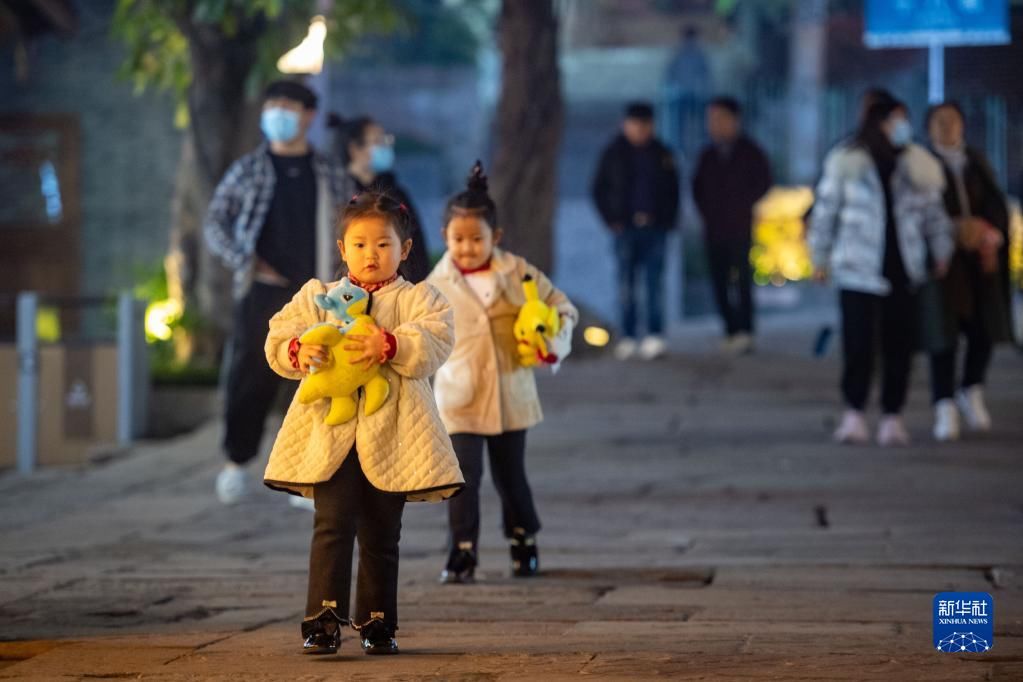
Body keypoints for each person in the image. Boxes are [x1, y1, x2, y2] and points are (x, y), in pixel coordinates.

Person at [262, 191, 464, 655]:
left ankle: (377, 620)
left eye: (382, 245)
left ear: (405, 249)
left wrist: (391, 345)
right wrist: (300, 350)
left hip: (395, 432)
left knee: (381, 528)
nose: (370, 255)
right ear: (342, 249)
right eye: (359, 244)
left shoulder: (419, 299)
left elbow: (435, 340)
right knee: (331, 521)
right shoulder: (319, 298)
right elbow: (279, 334)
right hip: (330, 434)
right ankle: (322, 617)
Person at [428, 162, 578, 583]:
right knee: (462, 478)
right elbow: (417, 333)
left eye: (477, 239)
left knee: (511, 477)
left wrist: (551, 343)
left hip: (511, 393)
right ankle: (461, 550)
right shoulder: (433, 284)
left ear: (495, 237)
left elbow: (562, 309)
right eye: (458, 239)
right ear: (445, 239)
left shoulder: (519, 273)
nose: (467, 248)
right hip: (459, 397)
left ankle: (523, 540)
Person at [204, 80, 352, 506]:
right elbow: (216, 221)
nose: (278, 114)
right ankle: (237, 462)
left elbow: (350, 222)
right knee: (249, 376)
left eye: (288, 106)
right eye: (272, 106)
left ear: (309, 115)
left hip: (318, 293)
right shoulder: (249, 169)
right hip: (262, 291)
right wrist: (244, 259)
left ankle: (306, 472)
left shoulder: (329, 172)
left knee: (317, 378)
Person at [808, 94, 954, 447]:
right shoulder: (847, 161)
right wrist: (820, 255)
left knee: (898, 345)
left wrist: (941, 250)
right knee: (858, 344)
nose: (903, 126)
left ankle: (893, 415)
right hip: (858, 269)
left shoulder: (917, 164)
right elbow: (826, 211)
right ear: (880, 121)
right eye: (897, 119)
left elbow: (933, 214)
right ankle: (854, 413)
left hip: (903, 269)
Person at [925, 101, 1013, 441]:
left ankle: (971, 388)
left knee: (983, 329)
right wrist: (953, 229)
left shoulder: (976, 163)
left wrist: (989, 234)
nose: (946, 128)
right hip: (943, 265)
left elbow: (997, 206)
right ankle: (944, 404)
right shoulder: (922, 166)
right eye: (938, 122)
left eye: (952, 121)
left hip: (980, 262)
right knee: (942, 334)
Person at [591, 101, 680, 361]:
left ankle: (655, 335)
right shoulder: (613, 153)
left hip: (655, 228)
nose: (639, 130)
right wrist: (611, 220)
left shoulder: (662, 153)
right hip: (625, 228)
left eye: (644, 125)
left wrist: (667, 221)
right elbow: (598, 189)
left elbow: (674, 190)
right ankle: (628, 335)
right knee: (625, 284)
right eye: (634, 125)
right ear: (625, 125)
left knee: (654, 284)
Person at [691, 96, 772, 355]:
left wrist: (742, 204)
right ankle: (730, 329)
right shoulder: (708, 155)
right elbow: (697, 189)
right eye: (711, 119)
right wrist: (707, 212)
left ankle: (745, 330)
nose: (714, 124)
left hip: (739, 226)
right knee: (719, 280)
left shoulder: (750, 152)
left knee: (742, 280)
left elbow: (763, 181)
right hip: (714, 228)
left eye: (719, 118)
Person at [329, 114, 432, 283]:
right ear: (355, 149)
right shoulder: (334, 193)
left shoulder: (395, 193)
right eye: (378, 141)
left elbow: (417, 249)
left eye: (386, 140)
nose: (385, 146)